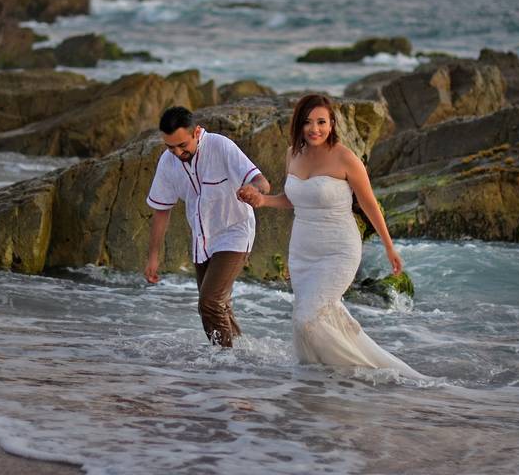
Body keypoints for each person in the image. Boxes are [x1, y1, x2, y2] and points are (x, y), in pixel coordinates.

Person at [237, 94, 423, 376]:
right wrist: (262, 202)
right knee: (316, 319)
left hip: (339, 250)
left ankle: (354, 372)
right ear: (299, 125)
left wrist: (389, 248)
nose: (315, 129)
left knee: (306, 319)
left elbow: (370, 204)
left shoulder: (345, 158)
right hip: (302, 252)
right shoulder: (292, 154)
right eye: (308, 122)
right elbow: (293, 199)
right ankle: (318, 382)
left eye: (321, 122)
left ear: (332, 123)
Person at [144, 106, 271, 348]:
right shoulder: (167, 162)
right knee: (214, 306)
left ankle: (225, 362)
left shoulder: (220, 146)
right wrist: (153, 257)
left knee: (209, 302)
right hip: (202, 240)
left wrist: (254, 190)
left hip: (236, 231)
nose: (177, 152)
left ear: (196, 132)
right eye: (170, 147)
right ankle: (241, 357)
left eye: (182, 145)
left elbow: (261, 181)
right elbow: (161, 211)